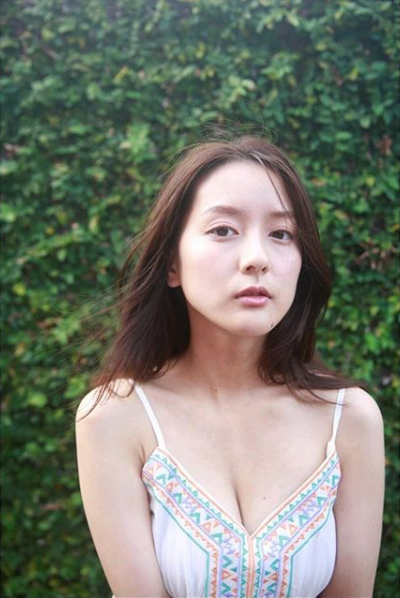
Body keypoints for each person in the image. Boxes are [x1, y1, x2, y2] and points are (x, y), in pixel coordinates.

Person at [75, 135, 385, 598]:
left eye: (281, 234)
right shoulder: (116, 418)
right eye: (223, 230)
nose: (257, 258)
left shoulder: (350, 418)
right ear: (172, 263)